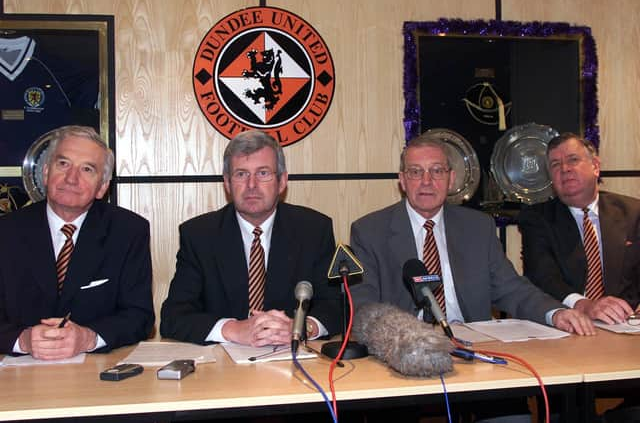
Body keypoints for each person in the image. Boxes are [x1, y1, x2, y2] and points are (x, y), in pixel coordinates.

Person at [350, 133, 595, 334]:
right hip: (404, 346)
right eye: (415, 172)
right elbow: (363, 306)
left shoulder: (478, 227)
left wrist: (556, 313)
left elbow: (512, 289)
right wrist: (408, 338)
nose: (426, 181)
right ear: (402, 181)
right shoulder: (370, 231)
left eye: (437, 171)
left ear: (451, 178)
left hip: (474, 347)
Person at [160, 130, 341, 347]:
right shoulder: (199, 235)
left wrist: (301, 328)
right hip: (222, 371)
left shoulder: (313, 229)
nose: (252, 185)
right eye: (241, 174)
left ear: (282, 181)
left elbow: (335, 306)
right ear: (227, 183)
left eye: (263, 173)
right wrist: (233, 329)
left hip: (291, 362)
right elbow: (173, 317)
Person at [0, 125, 154, 359]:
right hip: (16, 376)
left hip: (95, 375)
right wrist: (23, 340)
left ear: (102, 187)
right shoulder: (6, 232)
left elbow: (139, 317)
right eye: (63, 164)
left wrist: (89, 338)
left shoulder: (128, 231)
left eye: (87, 169)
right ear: (45, 172)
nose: (71, 178)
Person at [519, 133, 639, 325]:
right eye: (555, 165)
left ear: (596, 167)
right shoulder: (537, 218)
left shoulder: (633, 212)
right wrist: (585, 305)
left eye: (573, 160)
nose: (565, 169)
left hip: (625, 323)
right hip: (568, 323)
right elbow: (542, 276)